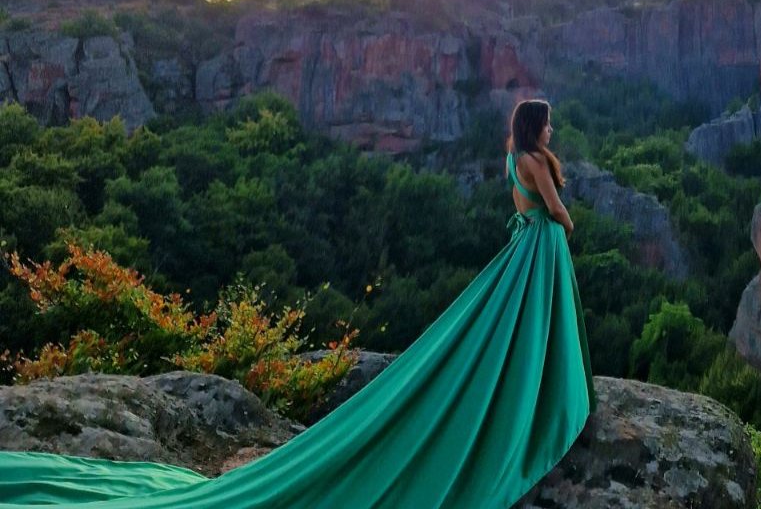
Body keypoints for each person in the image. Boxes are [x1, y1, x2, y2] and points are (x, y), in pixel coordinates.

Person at [0, 98, 594, 509]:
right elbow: (555, 208)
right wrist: (566, 224)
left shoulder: (508, 157)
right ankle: (541, 392)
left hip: (521, 244)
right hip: (538, 245)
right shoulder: (537, 162)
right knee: (528, 322)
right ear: (536, 127)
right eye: (547, 125)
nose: (550, 132)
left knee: (508, 322)